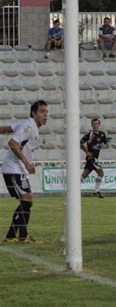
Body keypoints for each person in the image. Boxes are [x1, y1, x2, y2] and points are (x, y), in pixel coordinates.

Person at [1, 100, 48, 243]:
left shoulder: (27, 124)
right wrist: (27, 164)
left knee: (26, 201)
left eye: (46, 112)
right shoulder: (29, 126)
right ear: (34, 113)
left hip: (16, 169)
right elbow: (12, 144)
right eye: (42, 112)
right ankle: (20, 237)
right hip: (13, 168)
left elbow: (7, 129)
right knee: (27, 200)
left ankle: (13, 236)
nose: (45, 115)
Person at [80, 118, 109, 198]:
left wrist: (104, 146)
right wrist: (86, 152)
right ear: (91, 125)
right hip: (92, 158)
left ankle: (71, 187)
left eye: (97, 124)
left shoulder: (102, 134)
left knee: (83, 176)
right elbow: (80, 143)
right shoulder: (89, 135)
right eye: (94, 124)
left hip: (95, 158)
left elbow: (106, 144)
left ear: (99, 125)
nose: (95, 125)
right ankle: (96, 191)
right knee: (101, 173)